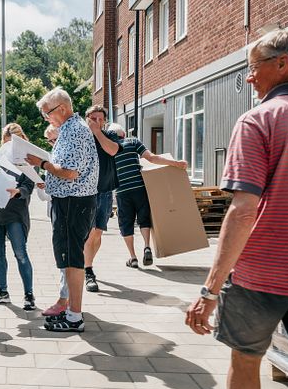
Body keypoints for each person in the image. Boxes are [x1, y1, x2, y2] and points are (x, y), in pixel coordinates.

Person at [185, 27, 288, 389]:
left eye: (253, 67)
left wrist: (210, 290)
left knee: (246, 360)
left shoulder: (258, 120)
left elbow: (242, 212)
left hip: (262, 273)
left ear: (282, 64)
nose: (249, 77)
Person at [26, 87, 98, 332]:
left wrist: (42, 163)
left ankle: (75, 317)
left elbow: (70, 173)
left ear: (63, 109)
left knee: (73, 259)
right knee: (68, 258)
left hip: (73, 203)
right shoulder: (68, 130)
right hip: (69, 201)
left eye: (47, 113)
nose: (46, 118)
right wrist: (49, 176)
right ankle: (71, 311)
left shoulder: (75, 131)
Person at [108, 123, 186, 268]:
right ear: (124, 134)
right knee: (144, 220)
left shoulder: (109, 149)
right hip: (140, 188)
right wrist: (175, 163)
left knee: (126, 224)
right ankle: (146, 246)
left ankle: (133, 257)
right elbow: (152, 158)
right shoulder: (133, 142)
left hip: (122, 191)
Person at [0, 124, 36, 311]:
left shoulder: (27, 160)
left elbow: (30, 186)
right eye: (6, 142)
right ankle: (2, 292)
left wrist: (18, 191)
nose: (9, 147)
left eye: (13, 142)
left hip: (15, 213)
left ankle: (29, 295)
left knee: (21, 254)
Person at [82, 105, 121, 293]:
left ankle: (85, 264)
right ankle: (88, 271)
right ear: (86, 118)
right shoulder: (81, 137)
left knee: (97, 233)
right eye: (93, 118)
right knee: (89, 233)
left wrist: (98, 132)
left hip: (105, 191)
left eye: (100, 119)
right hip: (86, 192)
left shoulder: (109, 136)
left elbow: (113, 151)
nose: (97, 122)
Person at [39, 125, 70, 318]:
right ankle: (67, 299)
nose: (52, 144)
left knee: (67, 257)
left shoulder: (66, 154)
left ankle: (65, 300)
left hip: (69, 210)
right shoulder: (55, 155)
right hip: (56, 210)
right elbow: (45, 196)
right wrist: (42, 186)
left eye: (53, 139)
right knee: (63, 256)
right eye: (49, 141)